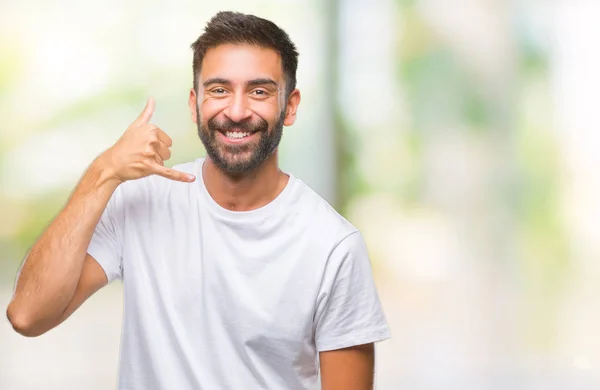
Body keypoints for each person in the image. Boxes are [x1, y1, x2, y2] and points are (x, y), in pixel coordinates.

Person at [6, 11, 390, 390]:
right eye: (219, 90)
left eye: (259, 91)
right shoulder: (141, 201)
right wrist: (103, 171)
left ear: (289, 105)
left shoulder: (333, 246)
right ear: (195, 104)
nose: (236, 112)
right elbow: (27, 315)